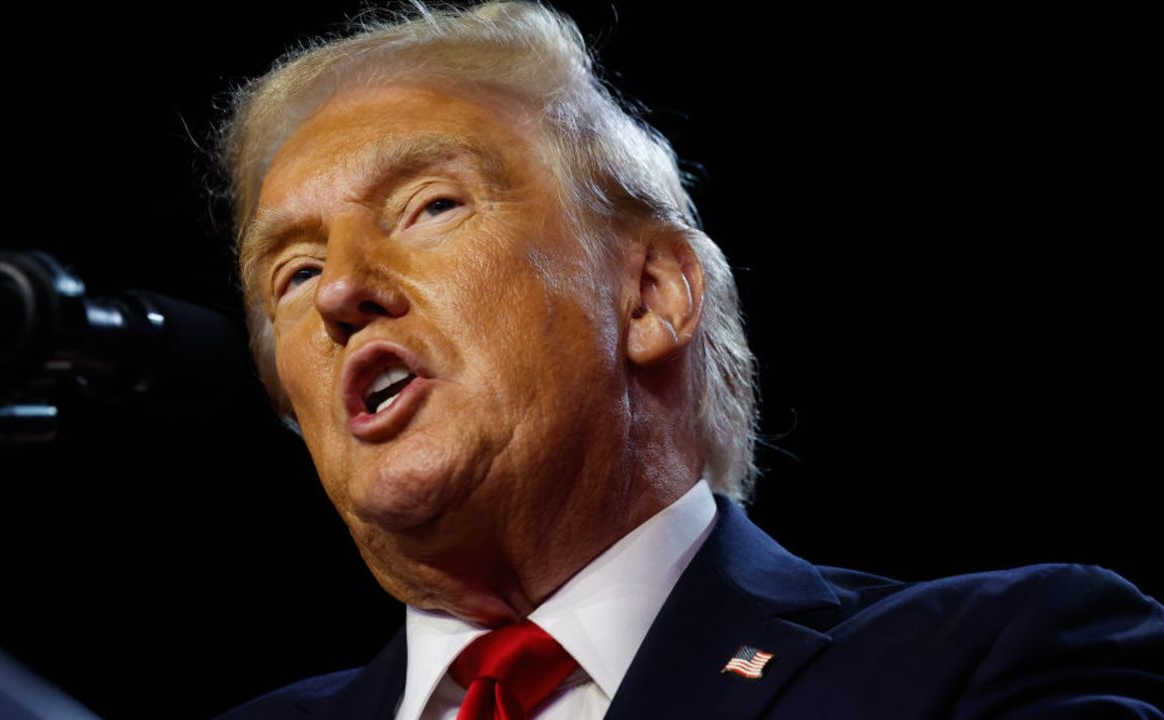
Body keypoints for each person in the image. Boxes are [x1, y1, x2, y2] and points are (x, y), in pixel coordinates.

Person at [214, 3, 1164, 718]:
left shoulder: (989, 659)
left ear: (651, 295)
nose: (341, 291)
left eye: (430, 207)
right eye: (293, 273)